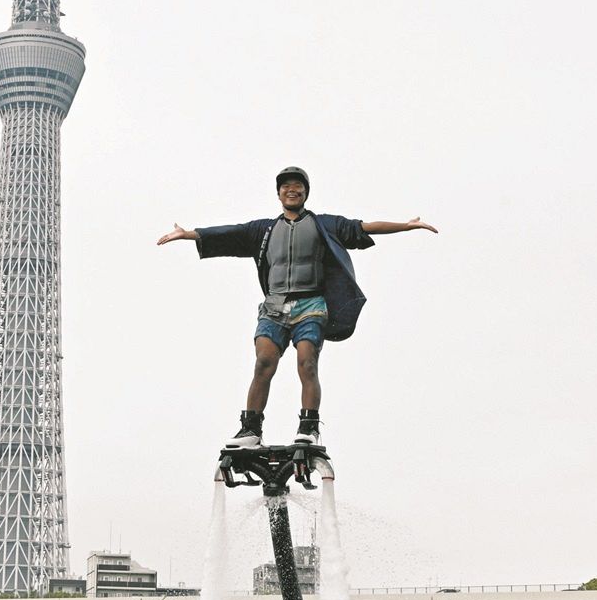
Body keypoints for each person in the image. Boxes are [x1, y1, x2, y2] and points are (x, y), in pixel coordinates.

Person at [157, 166, 437, 447]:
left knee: (307, 361)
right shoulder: (263, 229)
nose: (291, 189)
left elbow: (362, 227)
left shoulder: (324, 224)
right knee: (263, 362)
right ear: (279, 194)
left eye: (297, 186)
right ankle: (250, 430)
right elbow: (229, 233)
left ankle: (309, 426)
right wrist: (188, 234)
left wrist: (406, 225)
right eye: (285, 186)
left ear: (306, 192)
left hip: (311, 303)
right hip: (274, 306)